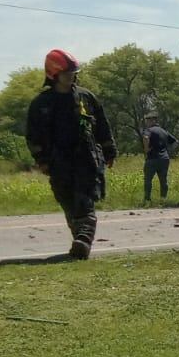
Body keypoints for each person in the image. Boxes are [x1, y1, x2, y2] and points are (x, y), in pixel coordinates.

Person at [26, 49, 115, 259]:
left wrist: (109, 150)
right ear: (54, 74)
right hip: (59, 163)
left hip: (87, 160)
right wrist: (42, 160)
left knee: (85, 203)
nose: (71, 76)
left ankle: (83, 240)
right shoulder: (41, 104)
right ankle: (79, 243)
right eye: (67, 73)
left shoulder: (86, 98)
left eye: (74, 73)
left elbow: (102, 126)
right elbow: (33, 135)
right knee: (68, 203)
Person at [140, 112, 178, 203]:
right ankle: (163, 199)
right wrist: (169, 151)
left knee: (148, 180)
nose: (147, 122)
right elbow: (175, 142)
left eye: (148, 120)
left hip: (152, 158)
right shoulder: (164, 131)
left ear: (152, 120)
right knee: (163, 181)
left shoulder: (148, 130)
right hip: (164, 159)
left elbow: (145, 138)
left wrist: (146, 149)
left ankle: (147, 200)